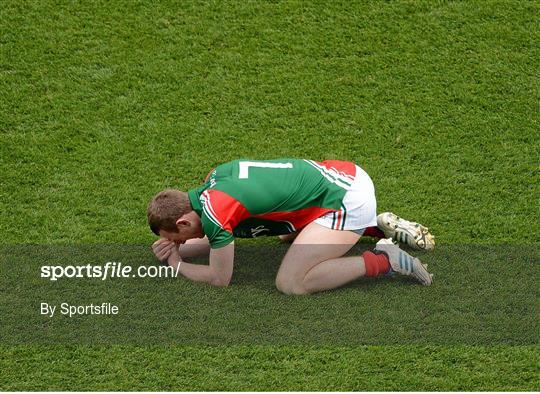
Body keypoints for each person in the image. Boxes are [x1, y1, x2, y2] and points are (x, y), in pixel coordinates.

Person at [147, 158, 435, 295]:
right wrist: (180, 250)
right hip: (345, 174)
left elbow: (219, 276)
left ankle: (385, 260)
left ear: (183, 221)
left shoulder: (216, 215)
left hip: (347, 203)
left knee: (291, 283)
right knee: (286, 233)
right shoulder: (215, 180)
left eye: (178, 238)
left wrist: (176, 264)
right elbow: (218, 234)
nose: (182, 242)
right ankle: (375, 226)